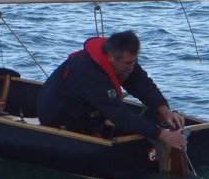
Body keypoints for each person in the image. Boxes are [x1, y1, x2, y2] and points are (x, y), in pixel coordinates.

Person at [36, 31, 189, 150]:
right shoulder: (91, 74)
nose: (131, 67)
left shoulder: (124, 61)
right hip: (57, 116)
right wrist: (162, 135)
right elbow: (119, 115)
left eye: (134, 61)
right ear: (110, 57)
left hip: (85, 112)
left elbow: (143, 85)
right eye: (128, 63)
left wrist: (164, 111)